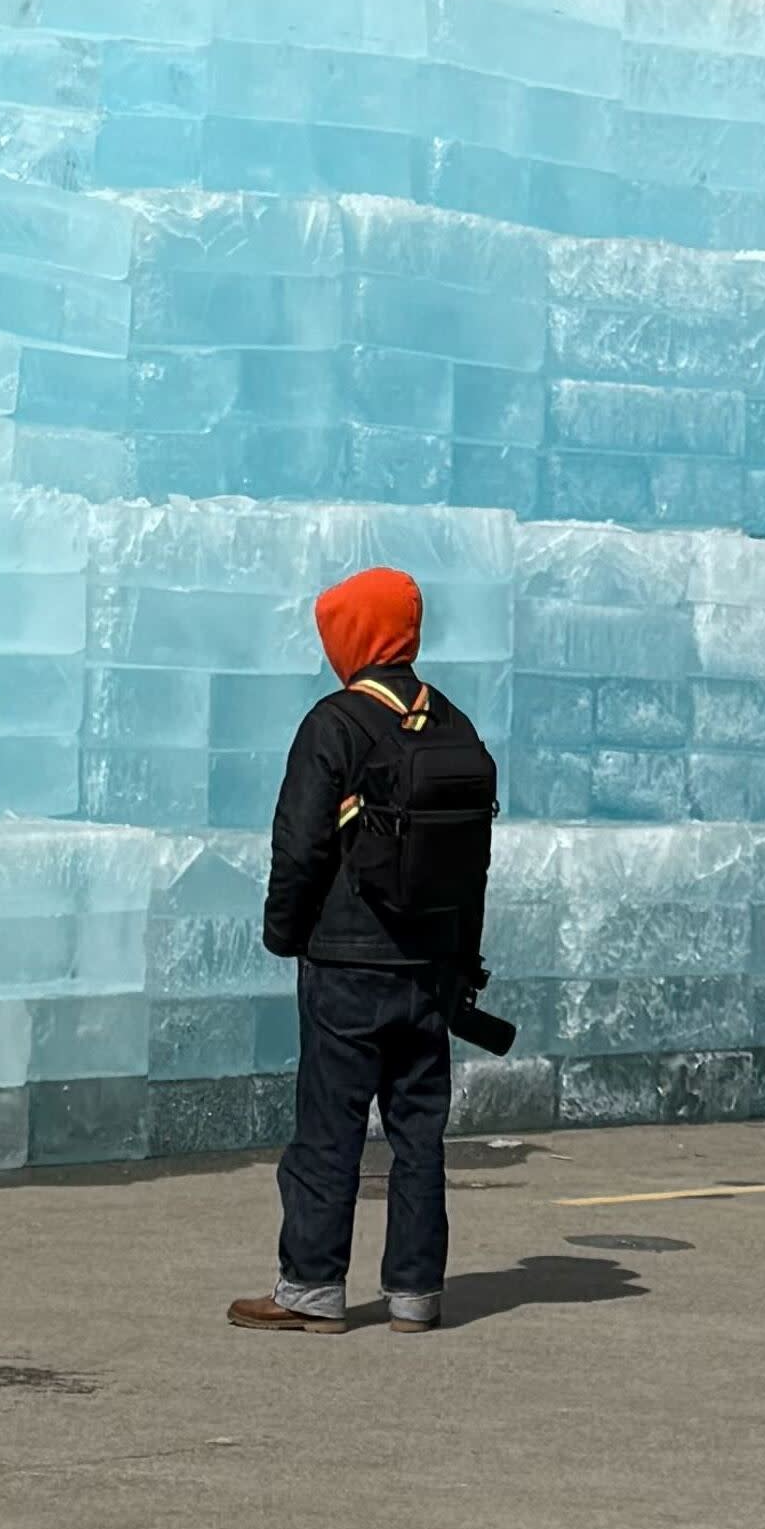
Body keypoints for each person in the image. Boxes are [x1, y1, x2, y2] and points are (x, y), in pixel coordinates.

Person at [234, 565, 500, 1336]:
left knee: (330, 1127)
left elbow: (300, 846)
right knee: (418, 1132)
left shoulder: (335, 724)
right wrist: (462, 959)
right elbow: (473, 860)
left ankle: (312, 1286)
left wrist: (284, 933)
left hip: (348, 961)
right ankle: (416, 1294)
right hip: (430, 963)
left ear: (352, 638)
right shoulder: (452, 722)